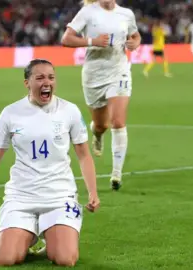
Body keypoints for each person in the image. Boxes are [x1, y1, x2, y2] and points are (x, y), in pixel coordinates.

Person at [0, 59, 100, 267]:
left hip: (59, 195)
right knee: (5, 259)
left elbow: (84, 155)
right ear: (27, 83)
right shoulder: (10, 113)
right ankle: (30, 234)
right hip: (21, 195)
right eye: (40, 77)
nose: (47, 82)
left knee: (65, 259)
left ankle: (53, 237)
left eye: (51, 77)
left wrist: (93, 192)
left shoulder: (69, 111)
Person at [61, 0, 141, 191]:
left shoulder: (126, 14)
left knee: (118, 122)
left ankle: (116, 174)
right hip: (94, 75)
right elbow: (66, 39)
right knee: (101, 124)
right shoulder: (87, 12)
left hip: (119, 71)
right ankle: (97, 133)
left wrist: (134, 43)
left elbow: (136, 35)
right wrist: (92, 42)